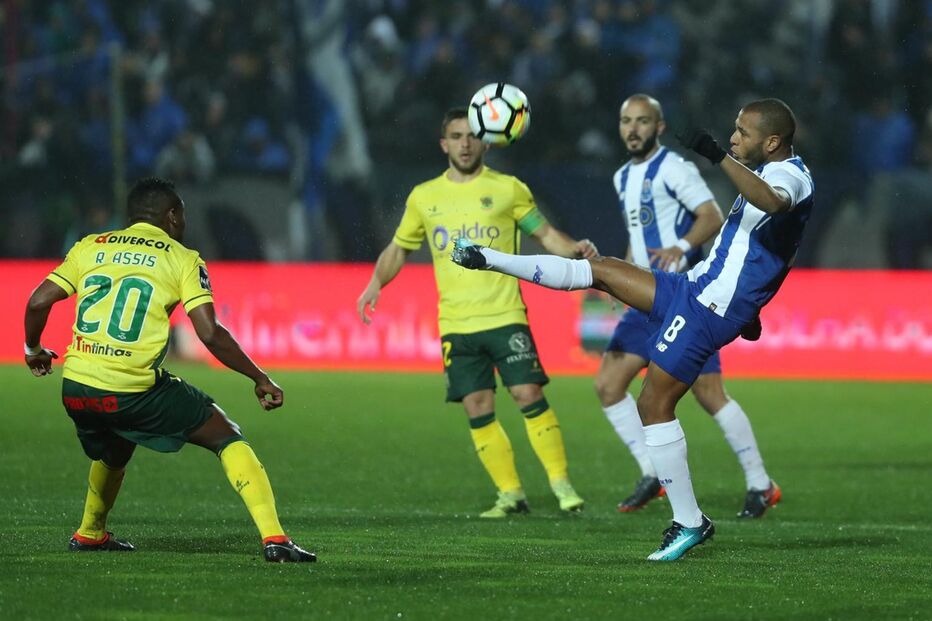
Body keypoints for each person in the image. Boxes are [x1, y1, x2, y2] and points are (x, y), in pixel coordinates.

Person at [453, 98, 813, 560]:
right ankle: (489, 259)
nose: (734, 138)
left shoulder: (790, 178)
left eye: (742, 132)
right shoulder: (744, 175)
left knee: (653, 402)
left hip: (707, 308)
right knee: (600, 269)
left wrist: (716, 156)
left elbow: (776, 205)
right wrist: (755, 302)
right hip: (692, 287)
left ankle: (690, 521)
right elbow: (772, 247)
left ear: (774, 141)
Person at [23, 177, 315, 563]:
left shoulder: (90, 245)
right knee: (226, 435)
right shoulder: (181, 258)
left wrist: (33, 350)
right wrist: (259, 377)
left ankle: (90, 533)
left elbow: (38, 299)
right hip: (132, 388)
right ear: (172, 215)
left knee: (117, 440)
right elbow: (210, 333)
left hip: (76, 387)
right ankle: (275, 539)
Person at [356, 108, 598, 518]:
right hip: (455, 323)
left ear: (487, 141)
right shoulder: (424, 196)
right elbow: (400, 247)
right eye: (456, 136)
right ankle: (511, 494)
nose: (464, 143)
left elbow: (545, 233)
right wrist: (377, 282)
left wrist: (577, 253)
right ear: (443, 143)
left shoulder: (508, 189)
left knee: (528, 394)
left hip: (505, 314)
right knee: (477, 405)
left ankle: (562, 486)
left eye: (471, 136)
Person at [599, 94, 779, 517]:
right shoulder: (623, 176)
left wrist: (679, 247)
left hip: (686, 297)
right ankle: (651, 472)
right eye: (627, 121)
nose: (633, 129)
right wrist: (621, 278)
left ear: (658, 127)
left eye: (643, 121)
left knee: (709, 393)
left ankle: (760, 483)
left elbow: (711, 216)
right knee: (609, 386)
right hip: (644, 298)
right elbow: (637, 234)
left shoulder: (674, 169)